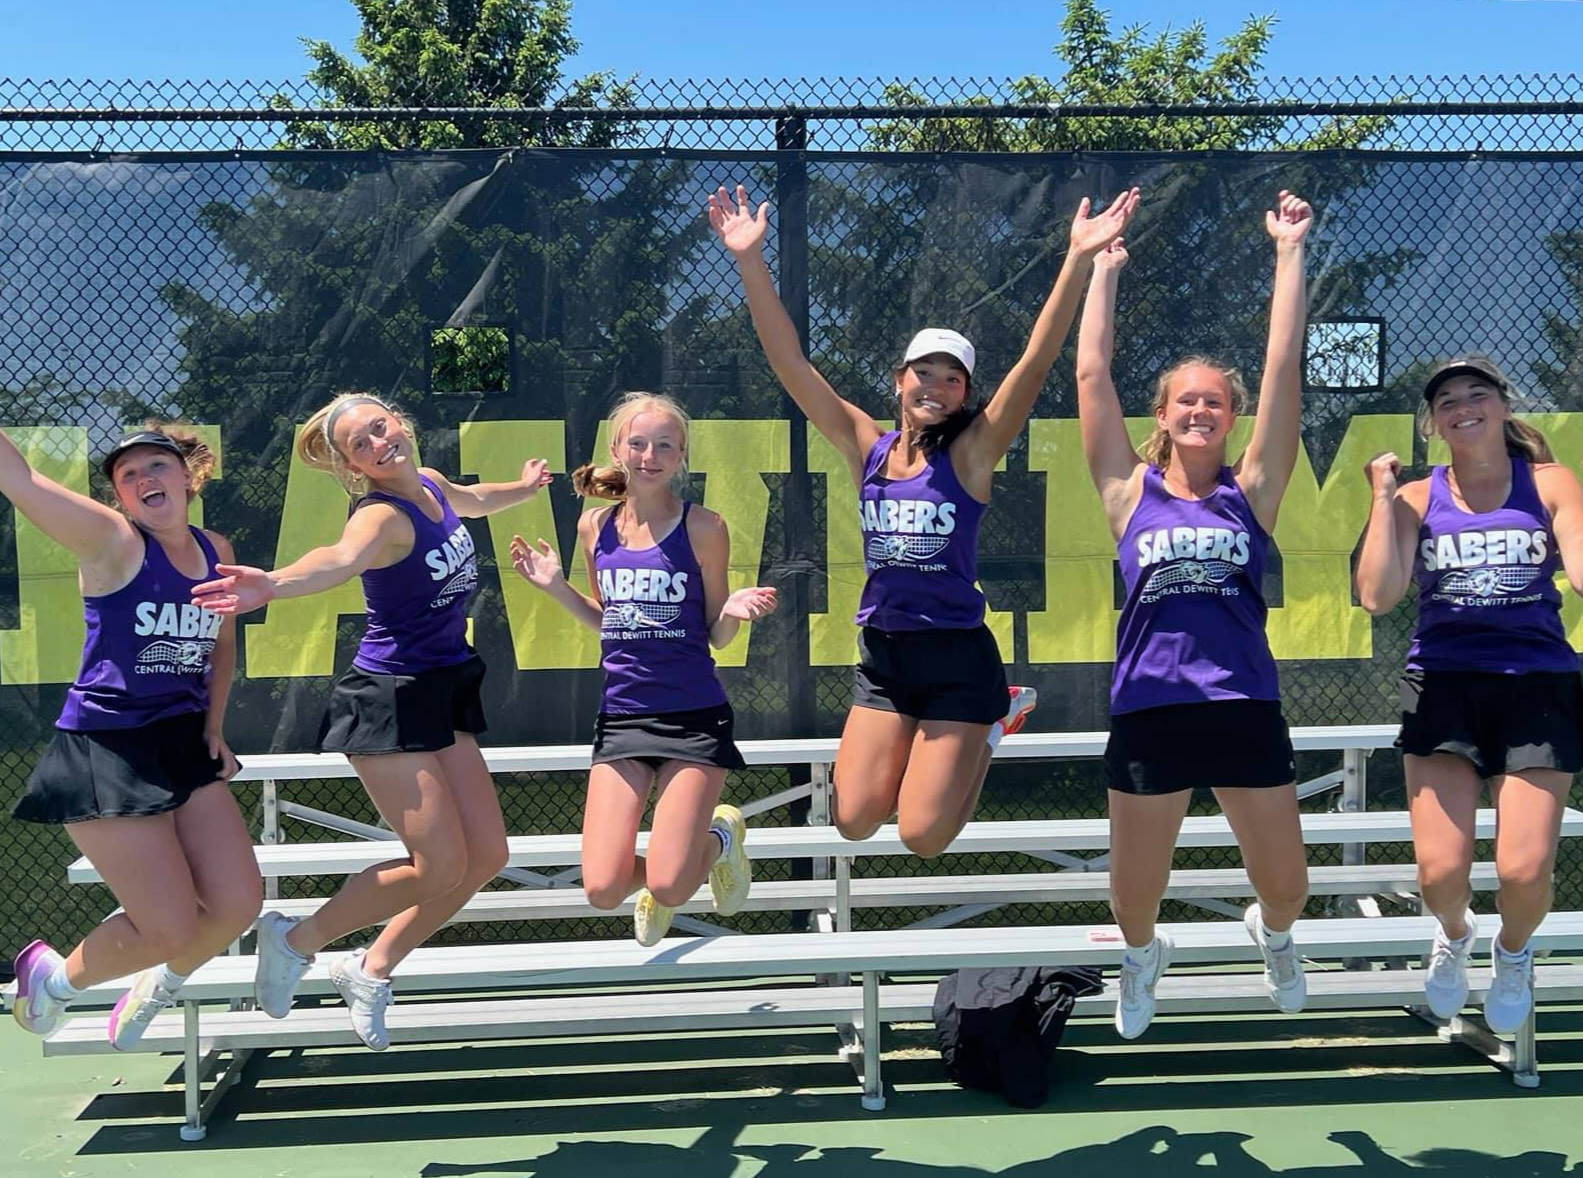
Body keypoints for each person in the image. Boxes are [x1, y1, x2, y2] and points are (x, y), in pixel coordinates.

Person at [709, 181, 1137, 858]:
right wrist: (749, 261)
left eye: (950, 378)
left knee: (922, 836)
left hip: (957, 661)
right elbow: (789, 363)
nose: (933, 386)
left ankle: (995, 720)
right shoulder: (866, 447)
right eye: (922, 373)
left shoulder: (972, 454)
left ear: (965, 394)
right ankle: (970, 732)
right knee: (851, 821)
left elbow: (1036, 359)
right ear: (898, 381)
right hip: (884, 656)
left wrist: (1077, 259)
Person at [0, 316, 262, 1050]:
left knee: (237, 904)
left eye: (156, 466)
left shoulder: (217, 549)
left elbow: (222, 644)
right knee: (169, 924)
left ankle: (157, 983)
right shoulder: (112, 543)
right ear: (120, 496)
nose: (143, 478)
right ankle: (51, 980)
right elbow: (20, 479)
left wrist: (212, 729)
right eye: (127, 474)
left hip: (181, 741)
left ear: (187, 475)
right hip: (107, 748)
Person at [191, 392, 549, 1050]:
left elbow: (475, 498)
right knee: (437, 864)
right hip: (387, 696)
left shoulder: (434, 487)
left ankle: (368, 968)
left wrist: (522, 489)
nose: (379, 442)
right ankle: (292, 939)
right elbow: (337, 558)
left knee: (487, 855)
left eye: (380, 427)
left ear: (400, 422)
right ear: (354, 465)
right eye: (361, 443)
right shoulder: (380, 517)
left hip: (443, 685)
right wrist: (272, 582)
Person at [1073, 193, 1316, 1039]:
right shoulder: (1125, 492)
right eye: (1185, 400)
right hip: (1149, 711)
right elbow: (1090, 377)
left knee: (1287, 885)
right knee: (1133, 896)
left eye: (1214, 401)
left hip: (1242, 706)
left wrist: (1287, 252)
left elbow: (1283, 367)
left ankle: (1274, 938)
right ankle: (1142, 959)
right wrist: (1100, 269)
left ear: (1231, 417)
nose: (1200, 410)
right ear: (1163, 415)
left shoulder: (1250, 493)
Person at [1355, 354, 1583, 1034]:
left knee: (1523, 870)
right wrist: (1380, 502)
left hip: (1535, 688)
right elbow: (1376, 595)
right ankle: (1452, 935)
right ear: (1433, 424)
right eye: (1447, 400)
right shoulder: (1417, 497)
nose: (1462, 405)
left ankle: (1512, 953)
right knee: (1439, 873)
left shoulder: (1550, 482)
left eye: (1477, 393)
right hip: (1442, 688)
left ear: (1503, 408)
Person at [508, 393, 777, 945]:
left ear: (682, 457)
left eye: (665, 446)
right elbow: (607, 620)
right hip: (624, 719)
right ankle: (664, 874)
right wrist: (556, 588)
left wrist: (731, 613)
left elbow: (714, 635)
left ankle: (720, 838)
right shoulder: (592, 527)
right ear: (616, 449)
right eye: (637, 442)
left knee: (673, 883)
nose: (649, 455)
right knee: (603, 888)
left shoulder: (704, 528)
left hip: (694, 719)